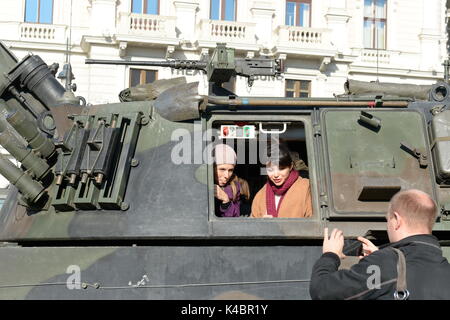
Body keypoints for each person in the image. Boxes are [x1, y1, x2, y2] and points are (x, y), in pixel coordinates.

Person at [309, 189, 450, 300]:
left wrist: (330, 255)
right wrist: (380, 257)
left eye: (387, 219)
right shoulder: (444, 269)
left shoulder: (385, 264)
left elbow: (322, 292)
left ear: (396, 219)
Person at [251, 143, 312, 218]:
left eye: (281, 168)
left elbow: (314, 222)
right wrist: (263, 225)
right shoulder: (261, 194)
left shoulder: (306, 187)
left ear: (290, 166)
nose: (276, 175)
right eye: (270, 170)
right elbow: (253, 223)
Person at [213, 143, 250, 217]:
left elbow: (234, 220)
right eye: (222, 169)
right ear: (212, 168)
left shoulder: (234, 189)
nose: (227, 176)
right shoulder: (201, 186)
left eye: (230, 170)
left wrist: (226, 201)